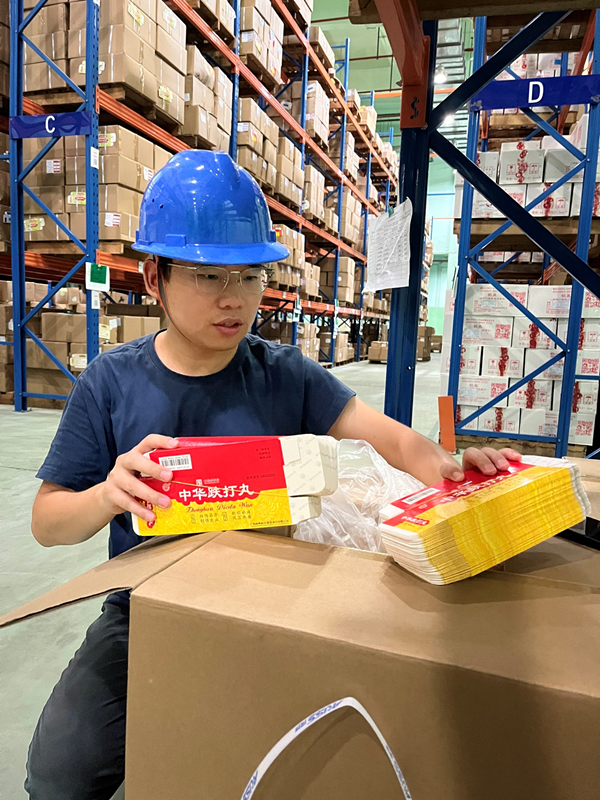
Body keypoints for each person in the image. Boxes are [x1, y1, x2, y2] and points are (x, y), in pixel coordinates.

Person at [25, 150, 520, 799]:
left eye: (249, 275)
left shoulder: (285, 375)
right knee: (59, 774)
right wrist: (106, 495)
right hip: (146, 605)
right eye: (207, 275)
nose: (234, 298)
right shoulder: (110, 384)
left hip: (275, 598)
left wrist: (450, 468)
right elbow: (48, 522)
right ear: (154, 277)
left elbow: (396, 441)